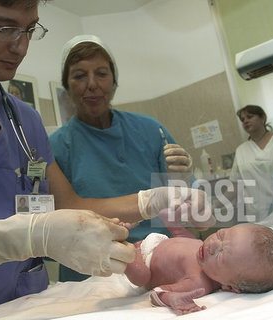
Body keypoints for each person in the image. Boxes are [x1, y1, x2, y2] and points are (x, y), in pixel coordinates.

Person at [0, 1, 214, 319]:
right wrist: (31, 237)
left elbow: (71, 204)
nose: (21, 45)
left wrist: (150, 201)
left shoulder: (24, 121)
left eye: (30, 29)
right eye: (4, 28)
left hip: (19, 306)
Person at [49, 34, 195, 281]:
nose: (92, 84)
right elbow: (60, 215)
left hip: (157, 259)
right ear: (67, 86)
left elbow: (184, 210)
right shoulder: (55, 147)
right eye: (80, 75)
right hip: (88, 271)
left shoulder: (151, 131)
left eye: (102, 74)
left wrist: (183, 179)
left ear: (114, 81)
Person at [124, 218, 273, 315]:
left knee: (141, 277)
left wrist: (172, 298)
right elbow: (184, 242)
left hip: (143, 262)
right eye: (220, 234)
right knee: (194, 240)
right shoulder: (204, 251)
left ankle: (121, 246)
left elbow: (157, 292)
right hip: (157, 241)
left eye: (221, 255)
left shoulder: (199, 282)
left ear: (230, 287)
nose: (212, 245)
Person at [215, 105, 273, 222]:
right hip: (257, 214)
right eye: (242, 120)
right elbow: (236, 185)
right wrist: (215, 205)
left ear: (263, 118)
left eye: (250, 116)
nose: (245, 121)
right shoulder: (241, 150)